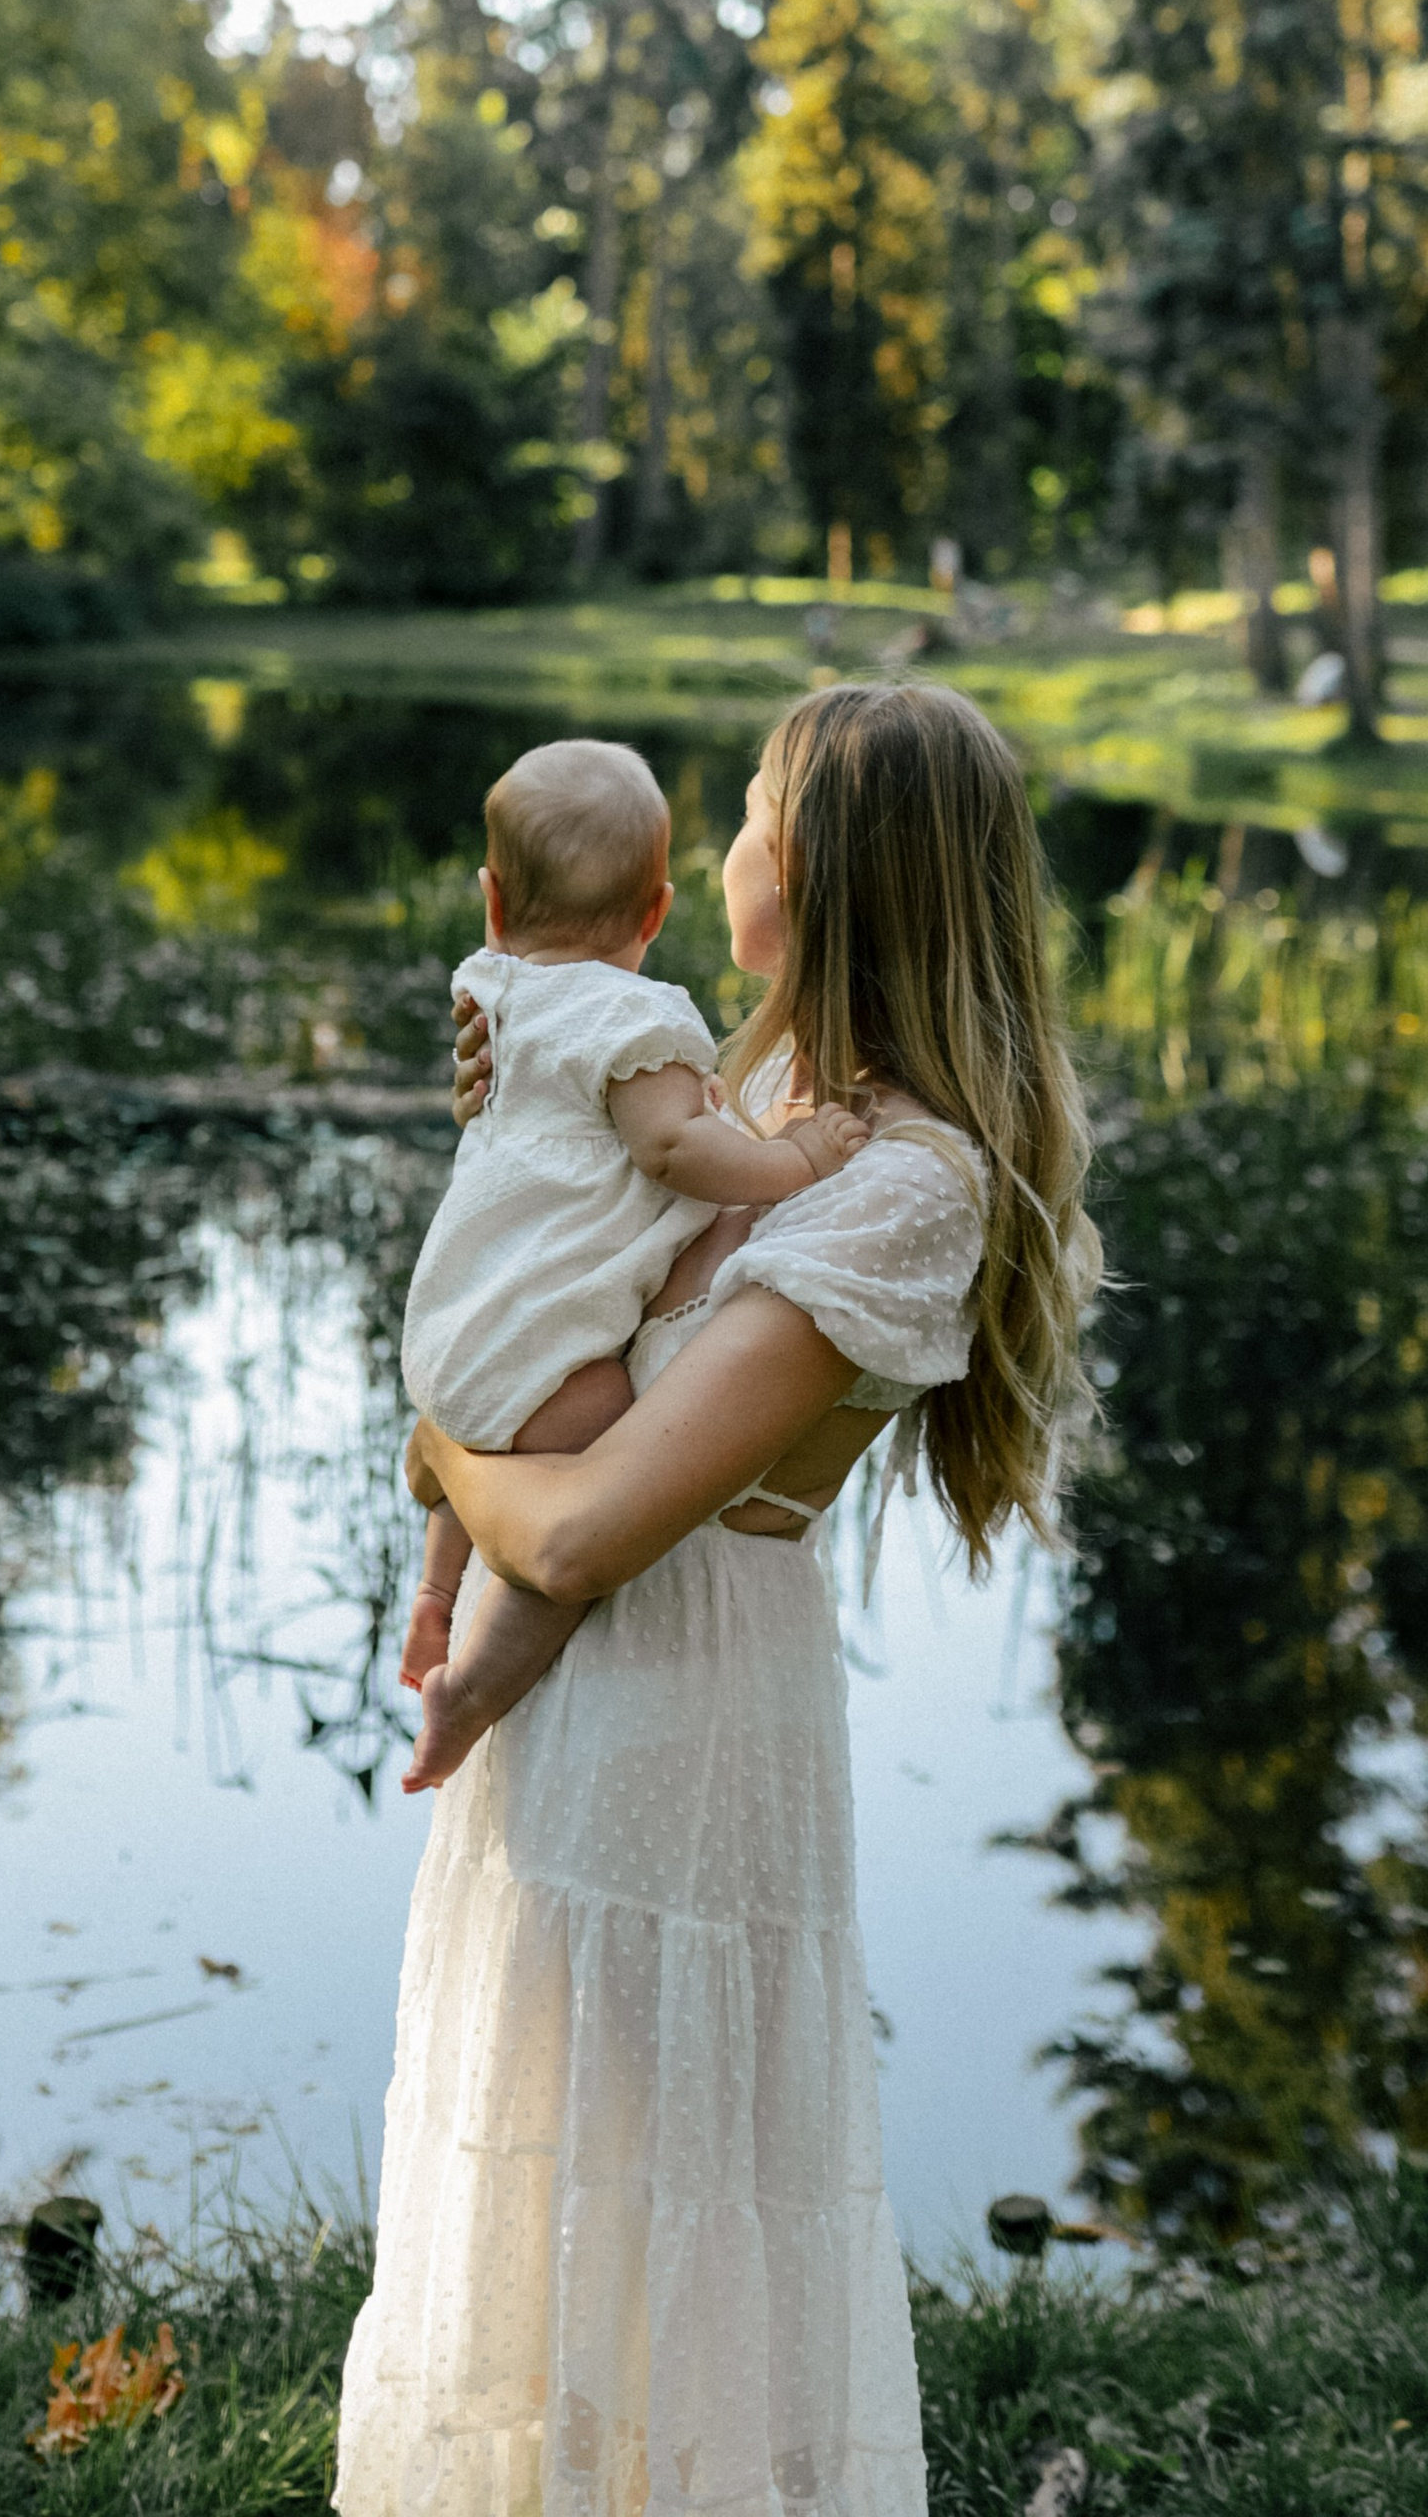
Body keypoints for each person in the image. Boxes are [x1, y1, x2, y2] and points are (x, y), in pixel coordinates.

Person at [334, 678, 1099, 2517]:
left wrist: (443, 1455)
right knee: (546, 2156)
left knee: (666, 2183)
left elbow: (590, 1533)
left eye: (753, 816)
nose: (726, 844)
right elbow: (550, 1279)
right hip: (581, 1703)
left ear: (822, 875)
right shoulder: (746, 1094)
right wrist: (520, 1106)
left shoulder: (910, 1184)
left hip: (686, 1710)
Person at [398, 735, 871, 1794]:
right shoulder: (647, 1017)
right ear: (654, 911)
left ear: (489, 901)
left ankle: (433, 1598)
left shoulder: (494, 985)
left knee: (480, 1437)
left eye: (749, 816)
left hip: (452, 1321)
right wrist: (792, 1158)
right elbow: (671, 1148)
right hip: (542, 1340)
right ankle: (471, 1689)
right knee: (581, 1463)